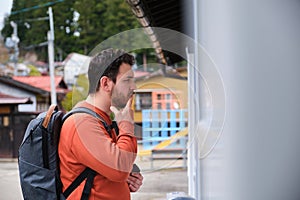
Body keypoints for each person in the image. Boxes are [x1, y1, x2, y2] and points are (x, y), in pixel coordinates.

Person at [58, 48, 143, 199]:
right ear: (105, 83)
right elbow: (119, 169)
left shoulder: (102, 120)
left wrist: (127, 177)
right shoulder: (82, 123)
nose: (133, 87)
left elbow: (119, 167)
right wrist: (127, 126)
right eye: (127, 80)